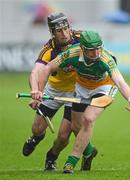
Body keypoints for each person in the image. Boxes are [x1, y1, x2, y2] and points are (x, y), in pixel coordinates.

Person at [35, 30, 130, 173]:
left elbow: (120, 81)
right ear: (82, 48)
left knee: (88, 119)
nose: (96, 53)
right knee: (76, 127)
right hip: (82, 88)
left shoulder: (105, 59)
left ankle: (72, 160)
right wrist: (39, 91)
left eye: (98, 48)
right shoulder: (71, 53)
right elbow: (48, 68)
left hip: (104, 87)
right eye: (91, 50)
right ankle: (89, 153)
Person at [23, 13, 97, 171]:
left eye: (66, 28)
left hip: (76, 93)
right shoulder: (48, 50)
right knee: (37, 128)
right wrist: (36, 91)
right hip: (54, 90)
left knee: (63, 136)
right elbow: (35, 72)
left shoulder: (80, 38)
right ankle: (36, 139)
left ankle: (51, 158)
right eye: (59, 31)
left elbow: (97, 49)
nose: (64, 34)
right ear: (52, 32)